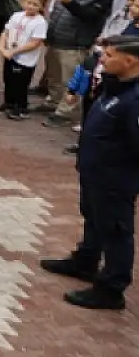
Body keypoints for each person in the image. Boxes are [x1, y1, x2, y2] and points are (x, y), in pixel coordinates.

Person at [39, 34, 139, 311]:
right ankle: (85, 261)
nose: (102, 60)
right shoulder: (115, 88)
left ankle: (111, 288)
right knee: (94, 219)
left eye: (109, 56)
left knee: (117, 231)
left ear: (129, 60)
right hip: (95, 172)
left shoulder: (134, 98)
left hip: (115, 179)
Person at [43, 0, 115, 126]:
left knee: (70, 80)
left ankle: (66, 113)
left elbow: (89, 16)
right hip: (56, 40)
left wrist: (70, 2)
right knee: (54, 76)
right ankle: (54, 101)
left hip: (75, 44)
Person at [0, 0, 49, 119]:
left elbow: (35, 43)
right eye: (29, 3)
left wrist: (15, 51)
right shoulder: (16, 15)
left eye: (35, 4)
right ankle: (8, 102)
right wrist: (2, 48)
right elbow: (6, 32)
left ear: (41, 7)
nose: (31, 6)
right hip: (10, 55)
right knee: (8, 79)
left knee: (20, 83)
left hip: (25, 59)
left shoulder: (40, 22)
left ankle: (20, 107)